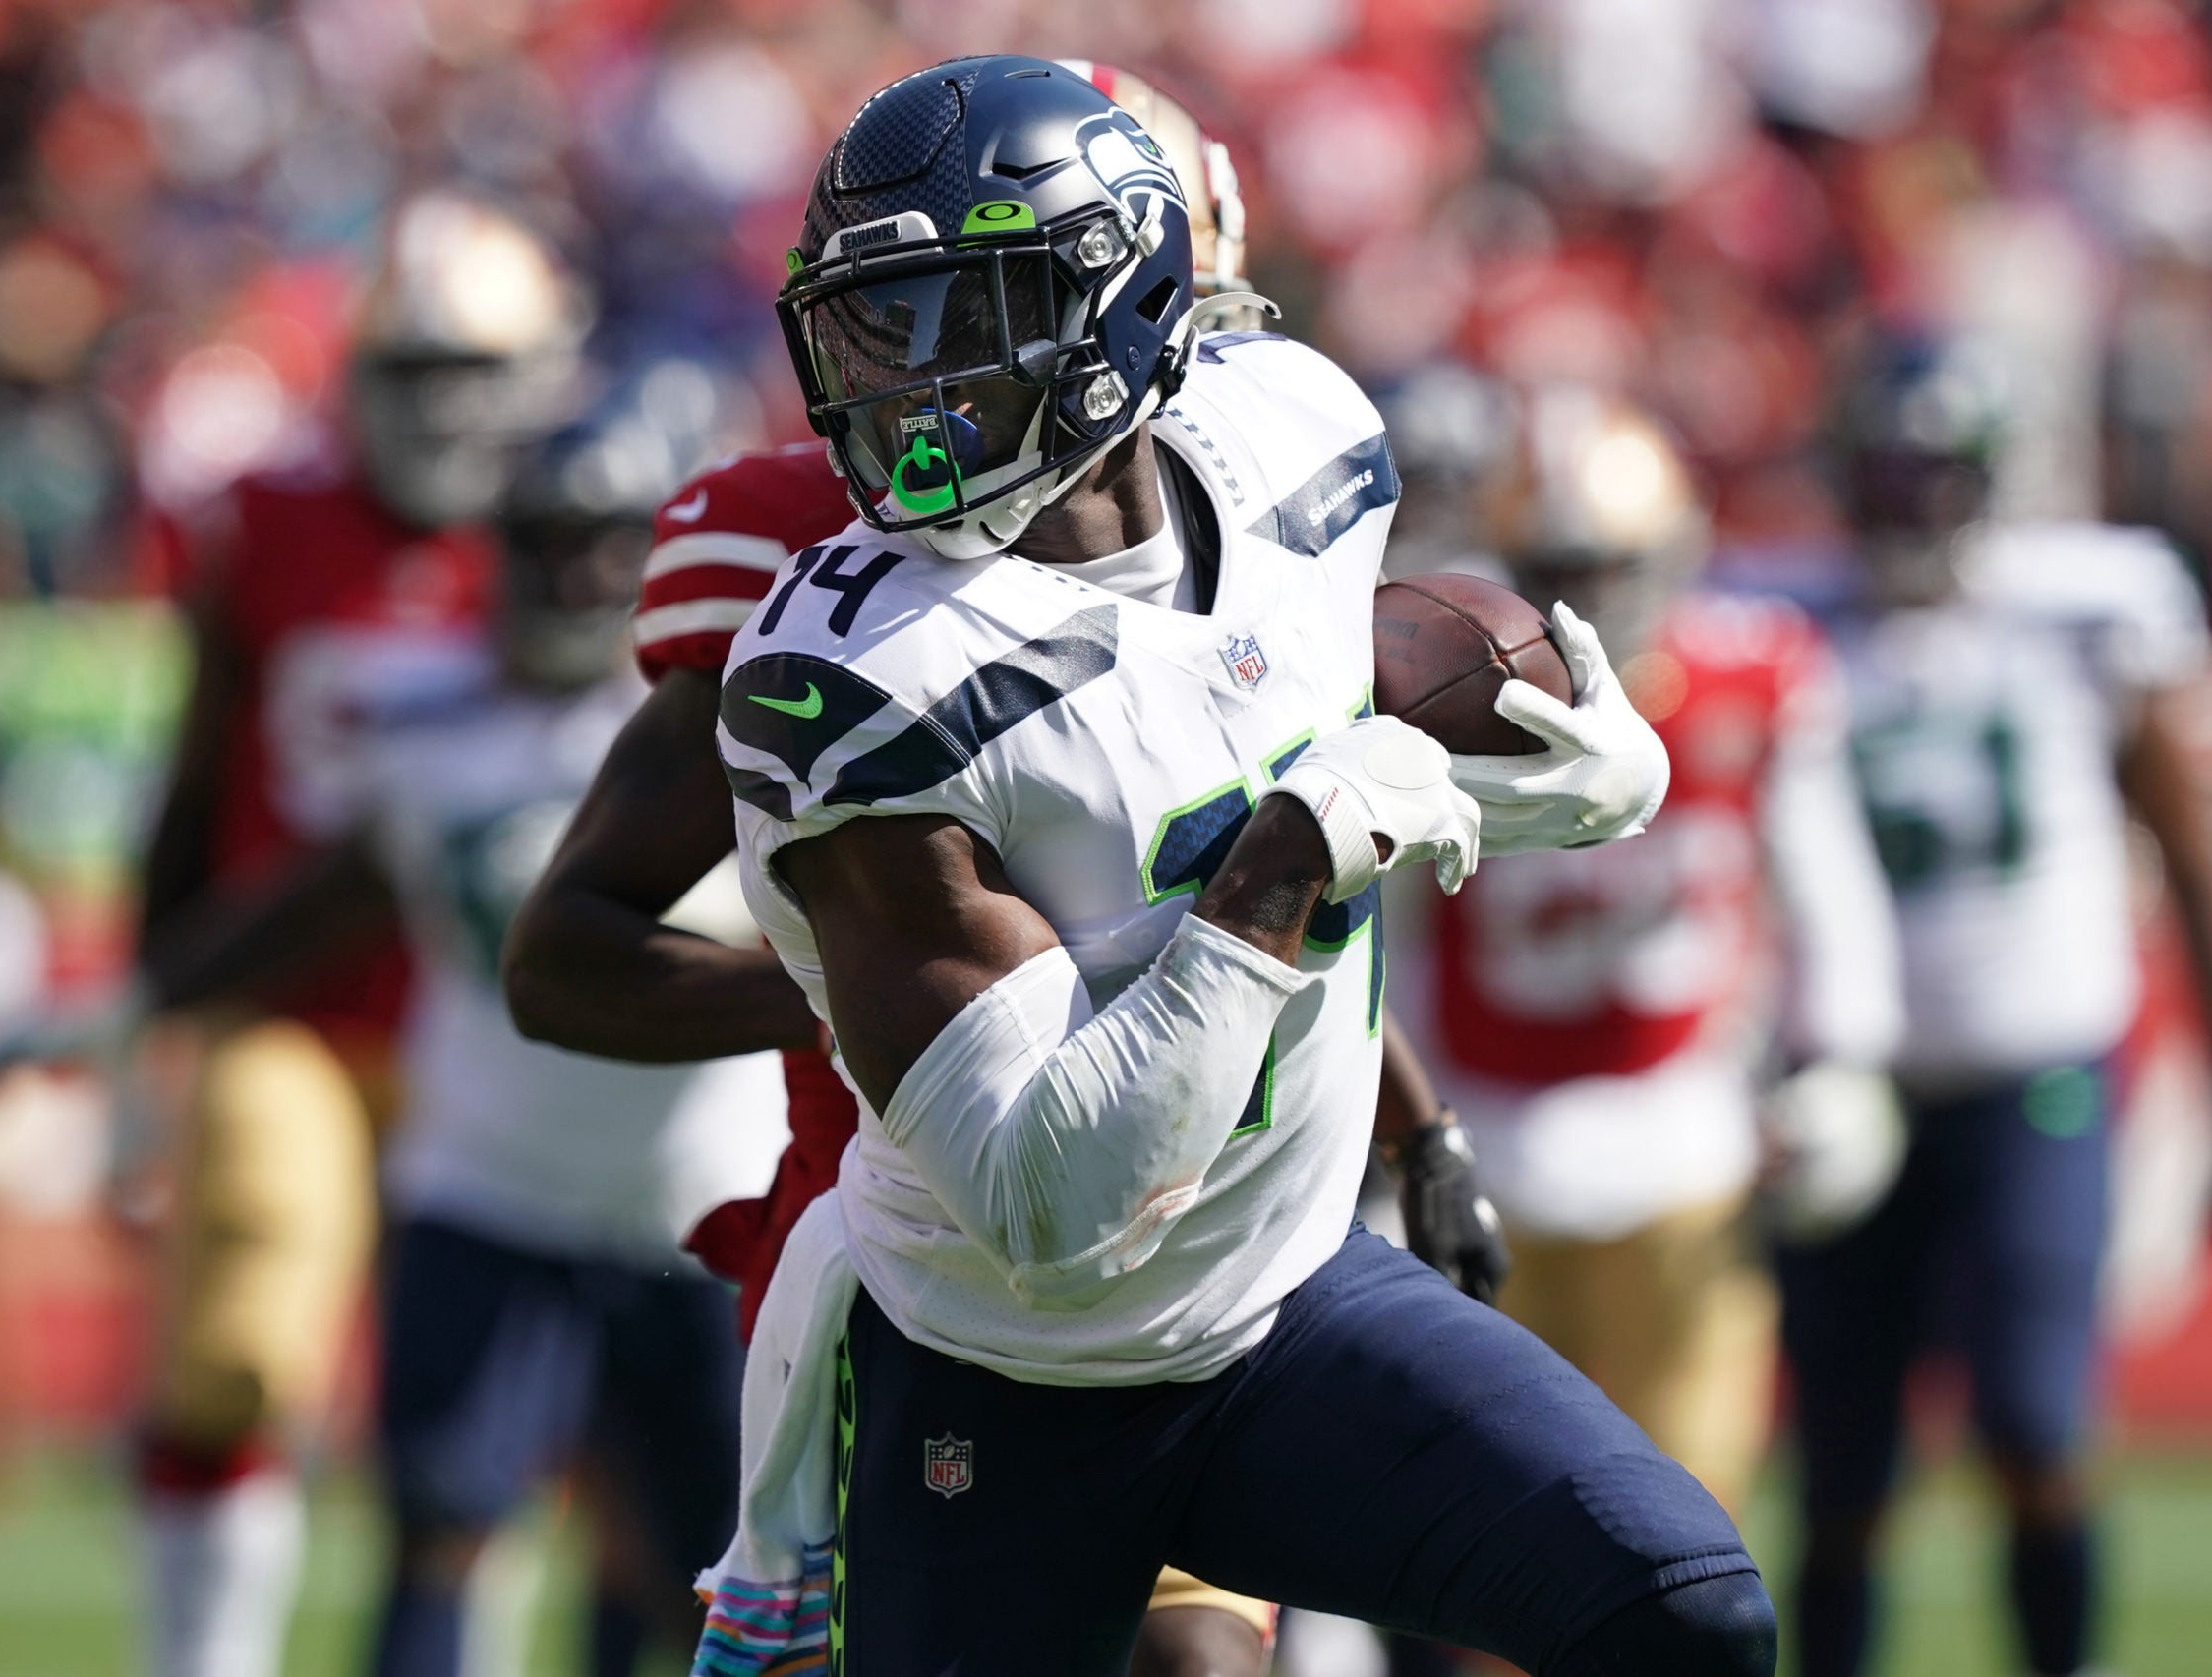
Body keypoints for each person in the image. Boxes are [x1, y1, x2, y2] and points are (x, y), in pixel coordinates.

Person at [678, 57, 1772, 1677]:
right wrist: (1290, 860)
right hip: (1005, 1375)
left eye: (965, 313)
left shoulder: (1295, 437)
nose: (907, 382)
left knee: (1683, 1610)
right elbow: (1059, 1200)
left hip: (1286, 1304)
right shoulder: (851, 679)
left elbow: (1336, 683)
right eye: (873, 321)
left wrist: (1556, 755)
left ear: (1120, 299)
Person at [500, 67, 1506, 1677]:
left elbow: (1265, 862)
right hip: (920, 1264)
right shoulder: (818, 566)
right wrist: (857, 999)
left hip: (1196, 1254)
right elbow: (567, 955)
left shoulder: (1256, 499)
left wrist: (1414, 1121)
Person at [139, 377, 791, 1677]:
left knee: (716, 1573)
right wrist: (125, 1001)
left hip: (702, 1204)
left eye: (600, 540)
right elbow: (323, 898)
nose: (572, 570)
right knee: (441, 1525)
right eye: (544, 539)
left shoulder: (738, 717)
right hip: (489, 1192)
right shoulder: (422, 720)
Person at [118, 192, 585, 1677]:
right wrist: (154, 1004)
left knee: (482, 1403)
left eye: (472, 378)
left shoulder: (579, 533)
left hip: (500, 1021)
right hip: (292, 1004)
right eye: (414, 377)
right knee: (242, 1341)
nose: (443, 414)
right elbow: (195, 778)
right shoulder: (263, 522)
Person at [1393, 387, 1905, 1521]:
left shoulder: (1748, 673)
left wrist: (1843, 1058)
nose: (1590, 600)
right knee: (1495, 1529)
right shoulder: (1448, 693)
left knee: (1685, 1515)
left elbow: (1826, 887)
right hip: (1489, 1140)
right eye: (1557, 565)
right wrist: (1397, 1128)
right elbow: (1400, 936)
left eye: (1614, 564)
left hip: (1682, 1133)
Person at [1779, 336, 2212, 1677]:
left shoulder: (2085, 604)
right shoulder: (1779, 617)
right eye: (1890, 476)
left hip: (2037, 1077)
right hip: (1848, 1090)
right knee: (1845, 1468)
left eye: (1935, 476)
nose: (1912, 505)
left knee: (2035, 1423)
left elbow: (2177, 822)